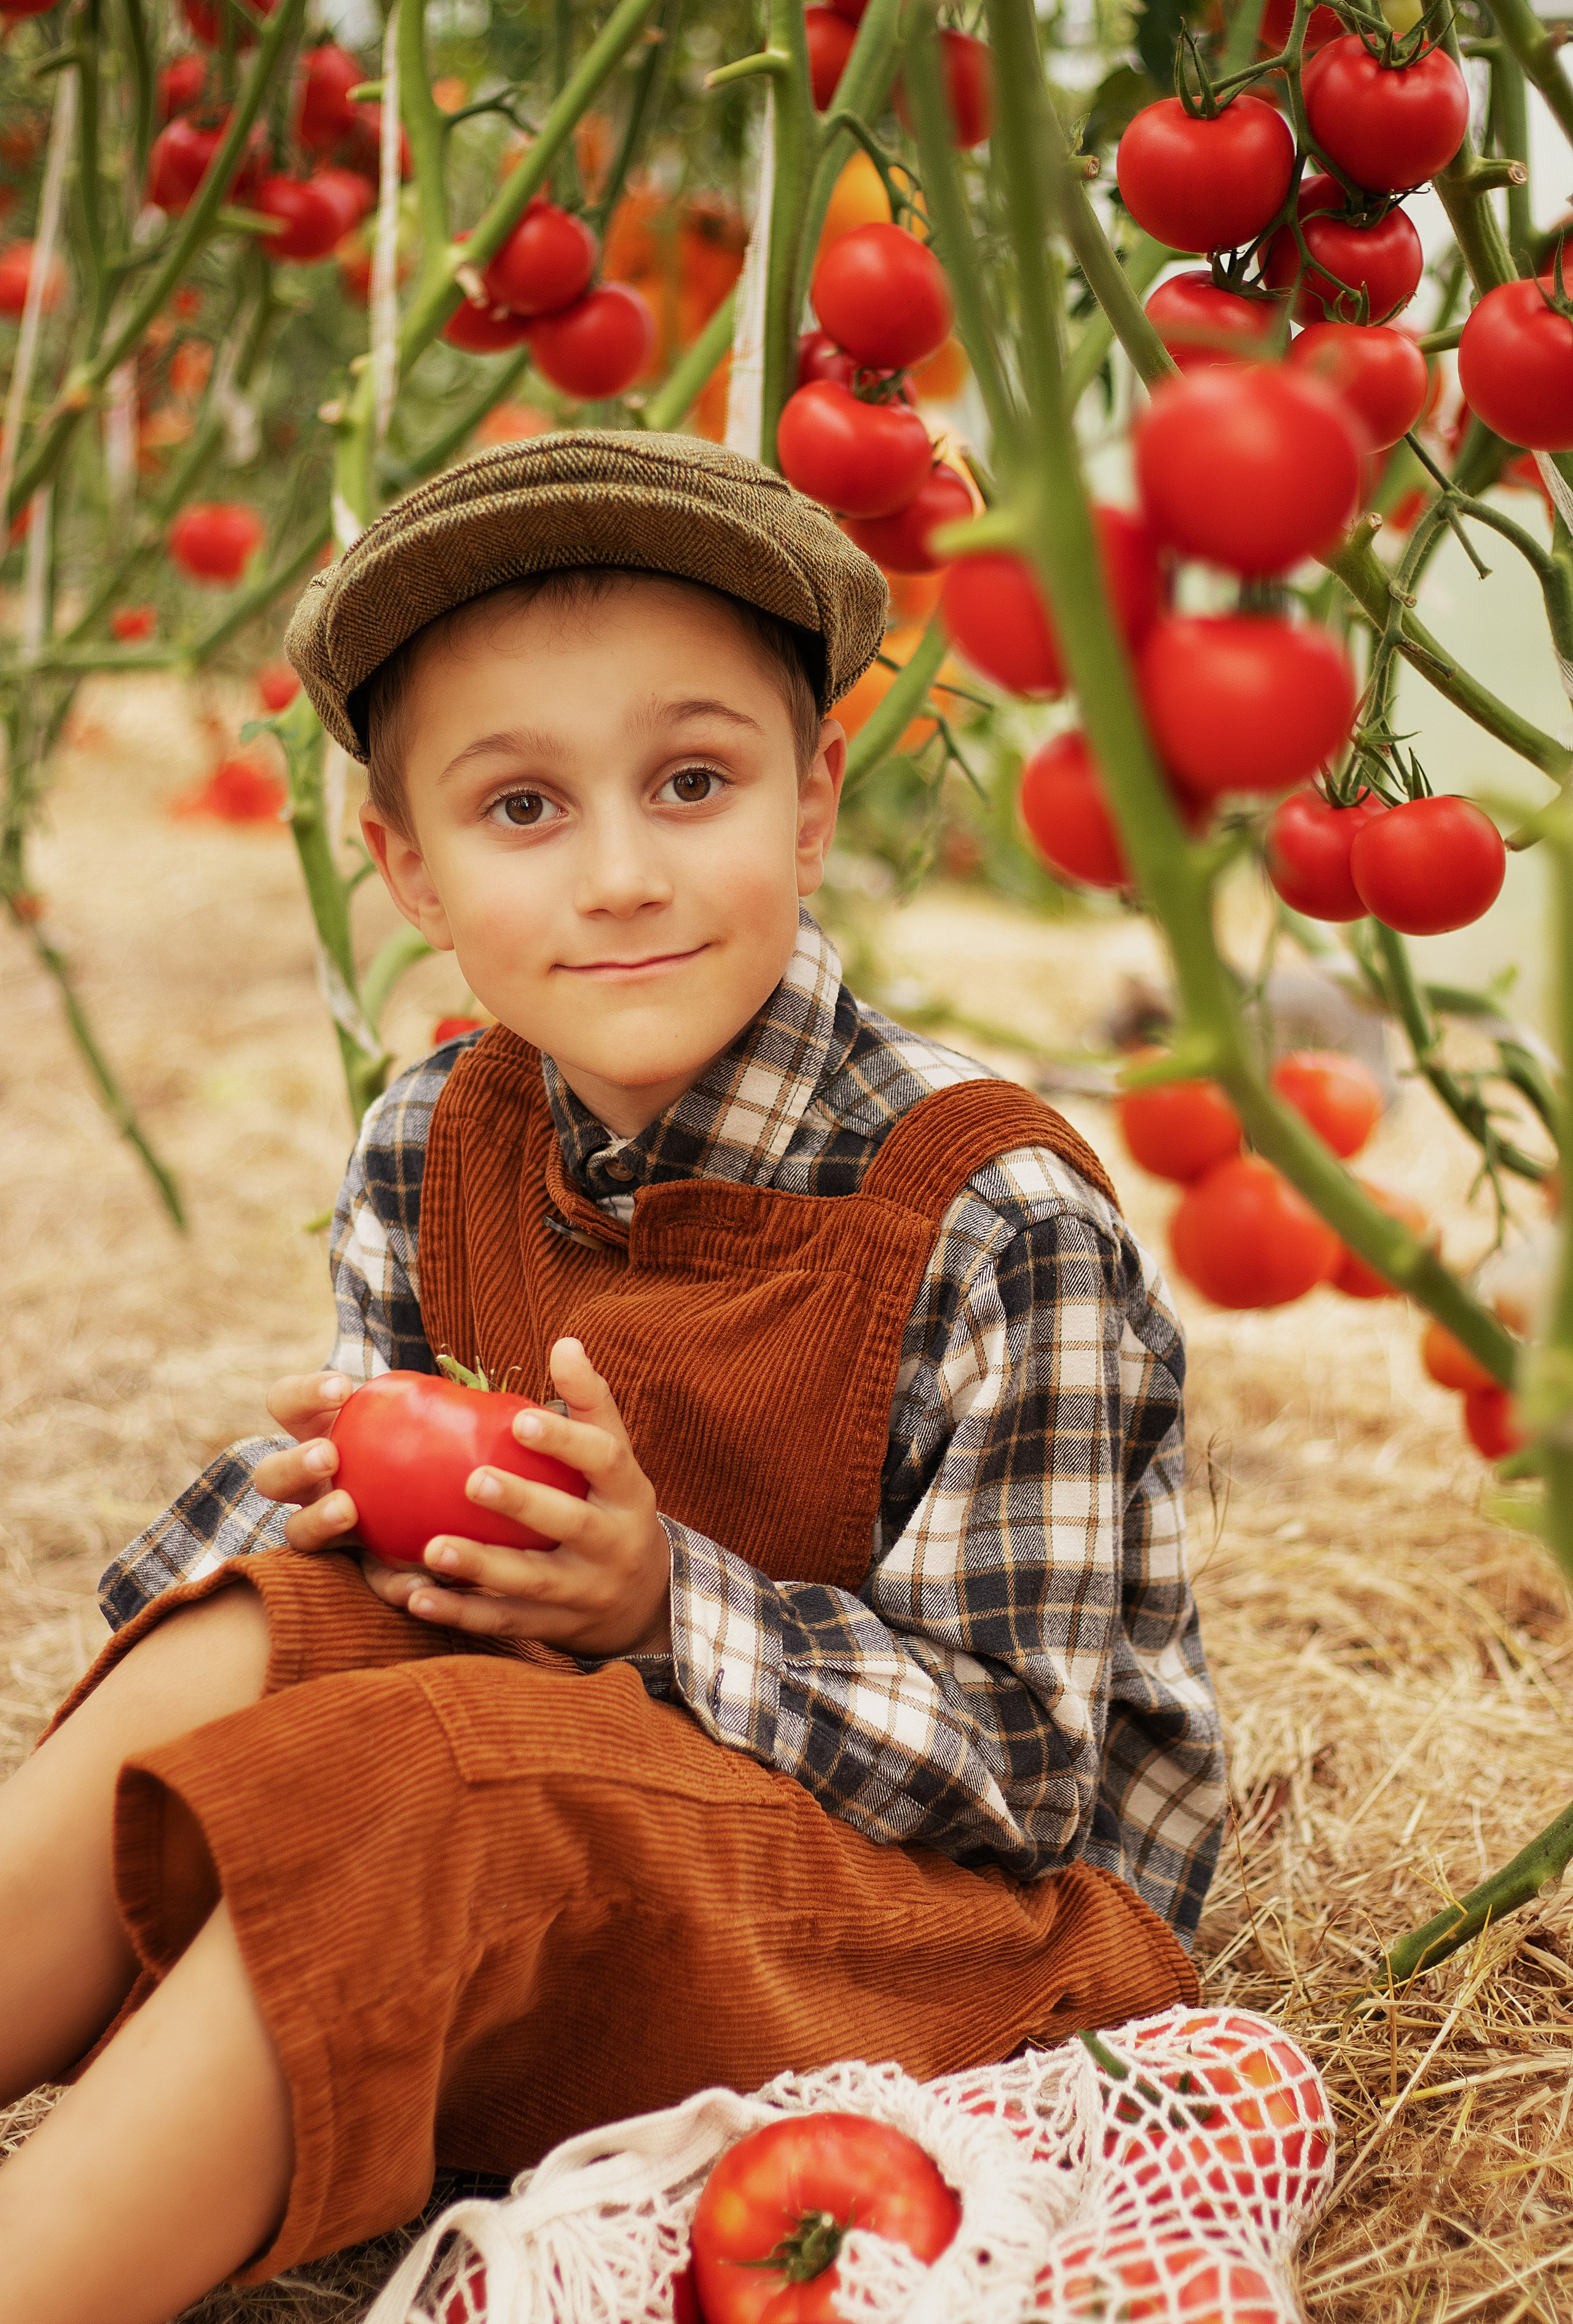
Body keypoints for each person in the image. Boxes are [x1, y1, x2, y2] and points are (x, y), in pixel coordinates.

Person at [0, 433, 1224, 2322]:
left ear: (813, 803)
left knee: (433, 1786)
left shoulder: (990, 1216)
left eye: (693, 781)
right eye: (522, 810)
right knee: (250, 1639)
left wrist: (666, 1604)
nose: (626, 875)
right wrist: (334, 1531)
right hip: (613, 1807)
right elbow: (371, 1604)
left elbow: (1033, 1780)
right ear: (404, 865)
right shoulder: (434, 1137)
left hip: (981, 1943)